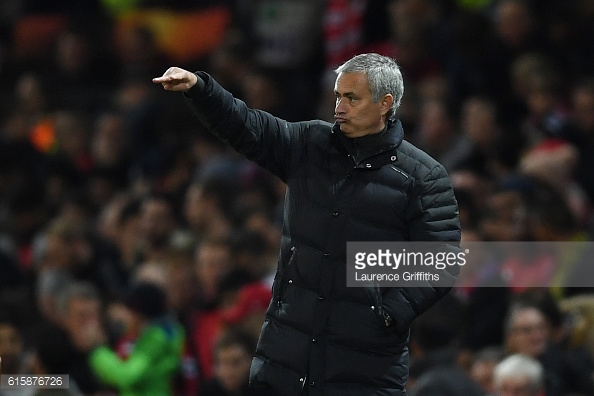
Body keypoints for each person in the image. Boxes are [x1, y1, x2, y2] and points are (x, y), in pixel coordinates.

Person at [153, 53, 461, 395]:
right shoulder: (310, 144)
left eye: (351, 98)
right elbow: (248, 125)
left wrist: (384, 313)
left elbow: (442, 261)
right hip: (286, 356)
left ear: (385, 103)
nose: (339, 107)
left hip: (364, 368)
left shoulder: (422, 176)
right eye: (338, 96)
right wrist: (200, 89)